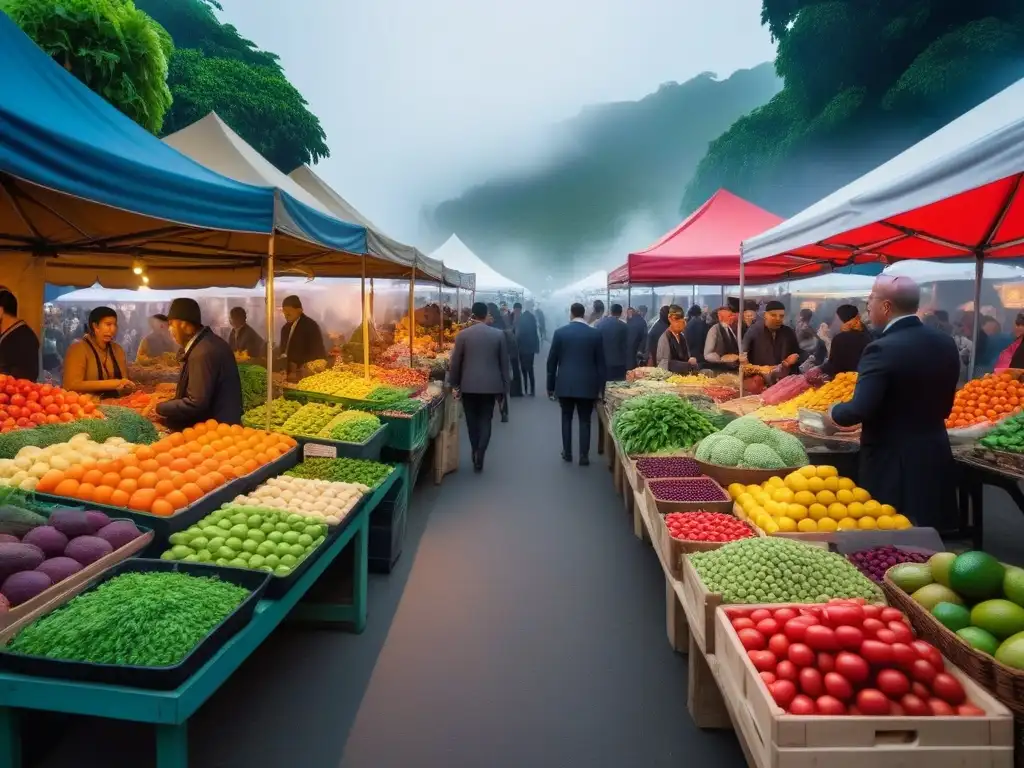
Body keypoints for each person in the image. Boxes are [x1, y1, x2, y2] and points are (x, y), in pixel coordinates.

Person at [825, 275, 960, 529]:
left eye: (871, 300)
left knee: (892, 539)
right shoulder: (945, 342)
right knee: (928, 534)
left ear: (886, 306)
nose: (868, 306)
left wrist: (833, 413)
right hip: (934, 450)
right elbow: (946, 403)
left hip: (893, 459)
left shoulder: (882, 348)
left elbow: (858, 410)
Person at [155, 298, 243, 429]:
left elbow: (196, 403)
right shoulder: (206, 343)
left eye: (172, 324)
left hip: (217, 431)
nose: (169, 330)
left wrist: (161, 407)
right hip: (220, 426)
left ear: (186, 326)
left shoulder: (203, 352)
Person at [449, 302, 509, 472]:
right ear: (487, 314)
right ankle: (481, 452)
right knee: (486, 419)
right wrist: (505, 389)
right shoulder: (498, 335)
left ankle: (475, 448)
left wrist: (454, 383)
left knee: (471, 421)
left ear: (473, 315)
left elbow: (455, 363)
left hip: (468, 386)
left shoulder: (463, 335)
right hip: (491, 386)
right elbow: (504, 364)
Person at [547, 302, 605, 465]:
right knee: (585, 419)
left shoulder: (560, 333)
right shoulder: (595, 334)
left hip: (565, 384)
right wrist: (601, 388)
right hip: (588, 385)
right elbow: (601, 364)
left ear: (571, 314)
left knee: (566, 418)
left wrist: (550, 386)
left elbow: (552, 363)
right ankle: (584, 455)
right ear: (584, 314)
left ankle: (567, 452)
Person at [62, 306, 134, 398]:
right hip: (86, 407)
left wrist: (127, 387)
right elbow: (71, 385)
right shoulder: (78, 349)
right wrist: (114, 383)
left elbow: (124, 381)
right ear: (95, 326)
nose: (112, 330)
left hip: (117, 405)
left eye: (115, 325)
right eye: (108, 324)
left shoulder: (118, 350)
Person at [742, 300, 800, 371]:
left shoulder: (788, 332)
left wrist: (796, 358)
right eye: (773, 315)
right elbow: (743, 356)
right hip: (759, 377)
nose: (778, 319)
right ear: (765, 315)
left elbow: (797, 353)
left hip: (783, 378)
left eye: (781, 316)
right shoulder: (753, 331)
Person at [279, 295, 327, 380]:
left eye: (289, 311)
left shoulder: (311, 326)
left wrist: (299, 366)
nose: (286, 314)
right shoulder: (285, 328)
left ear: (299, 310)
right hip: (288, 373)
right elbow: (283, 349)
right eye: (284, 311)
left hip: (307, 373)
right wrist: (283, 366)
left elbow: (316, 351)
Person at [819, 304, 871, 377]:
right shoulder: (866, 332)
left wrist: (818, 369)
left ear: (843, 320)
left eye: (836, 319)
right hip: (863, 377)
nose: (834, 322)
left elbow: (834, 365)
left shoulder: (841, 339)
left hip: (844, 381)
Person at [0, 290, 40, 382]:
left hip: (14, 394)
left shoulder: (23, 338)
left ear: (1, 310)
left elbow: (23, 378)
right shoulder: (9, 335)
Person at [487, 302, 517, 417]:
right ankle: (504, 411)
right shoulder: (502, 322)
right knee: (501, 387)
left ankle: (491, 410)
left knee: (491, 385)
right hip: (502, 358)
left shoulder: (491, 325)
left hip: (492, 358)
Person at [655, 305, 699, 374]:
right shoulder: (665, 338)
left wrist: (691, 360)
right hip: (671, 377)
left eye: (681, 319)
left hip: (684, 375)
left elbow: (687, 356)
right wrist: (686, 365)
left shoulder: (682, 336)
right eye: (676, 319)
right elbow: (664, 363)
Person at [596, 303, 630, 381]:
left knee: (604, 386)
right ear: (621, 313)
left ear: (610, 311)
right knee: (618, 387)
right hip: (620, 363)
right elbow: (627, 344)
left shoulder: (599, 324)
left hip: (603, 362)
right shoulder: (624, 326)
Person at [703, 306, 742, 370]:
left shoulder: (730, 328)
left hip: (733, 367)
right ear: (720, 317)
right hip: (719, 369)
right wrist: (721, 359)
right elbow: (707, 355)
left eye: (732, 315)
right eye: (729, 316)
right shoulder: (714, 330)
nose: (733, 318)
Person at [513, 301, 540, 396]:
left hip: (522, 348)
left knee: (524, 369)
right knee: (530, 369)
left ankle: (525, 388)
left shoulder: (521, 319)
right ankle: (532, 390)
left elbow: (518, 334)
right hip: (530, 348)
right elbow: (535, 333)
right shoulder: (532, 317)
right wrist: (536, 347)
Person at [626, 304, 648, 369]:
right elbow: (645, 337)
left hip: (629, 350)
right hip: (637, 349)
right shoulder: (642, 321)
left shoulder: (630, 321)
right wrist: (641, 349)